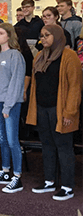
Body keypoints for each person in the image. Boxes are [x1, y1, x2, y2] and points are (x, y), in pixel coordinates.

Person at [27, 25, 82, 201]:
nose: (43, 38)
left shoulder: (69, 56)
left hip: (62, 111)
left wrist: (69, 112)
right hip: (43, 108)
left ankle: (67, 187)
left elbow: (75, 86)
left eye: (47, 35)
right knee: (47, 146)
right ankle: (49, 181)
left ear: (57, 36)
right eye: (41, 36)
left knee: (64, 148)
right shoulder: (39, 56)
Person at [0, 23, 25, 193]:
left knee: (12, 139)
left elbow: (16, 83)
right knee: (1, 138)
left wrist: (7, 106)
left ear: (9, 35)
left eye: (1, 33)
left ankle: (17, 176)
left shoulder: (15, 55)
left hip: (11, 104)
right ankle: (6, 171)